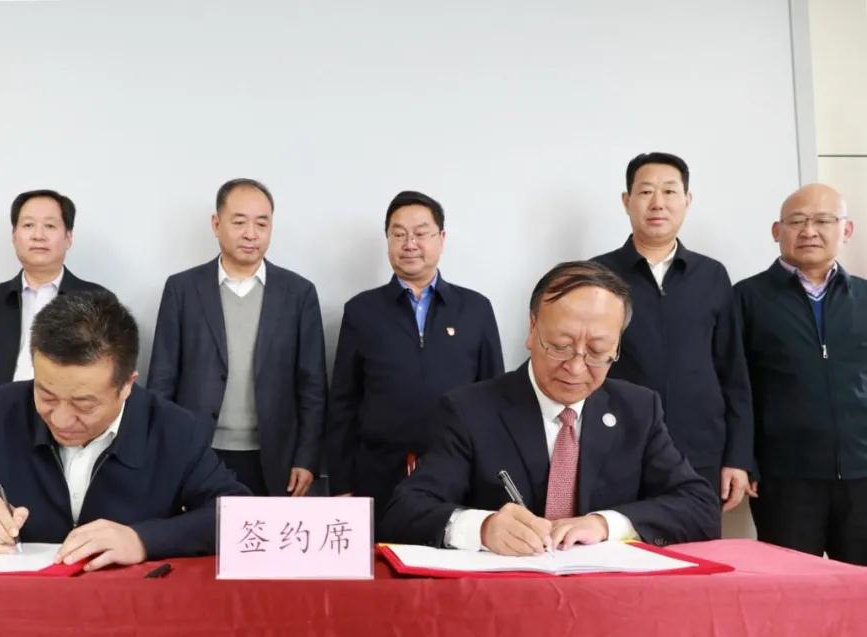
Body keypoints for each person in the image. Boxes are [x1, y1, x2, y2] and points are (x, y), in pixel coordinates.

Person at [380, 261, 719, 552]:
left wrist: (606, 524)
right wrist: (482, 528)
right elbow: (403, 512)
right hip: (504, 596)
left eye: (598, 351)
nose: (576, 367)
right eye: (560, 345)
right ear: (532, 330)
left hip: (607, 597)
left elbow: (701, 507)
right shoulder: (469, 410)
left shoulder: (639, 410)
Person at [0, 292, 251, 569]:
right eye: (47, 396)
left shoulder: (174, 429)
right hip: (22, 603)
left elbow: (238, 516)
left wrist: (143, 540)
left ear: (126, 385)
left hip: (127, 607)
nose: (61, 420)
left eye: (84, 404)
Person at [323, 190, 503, 520]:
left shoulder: (475, 309)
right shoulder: (362, 311)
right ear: (388, 240)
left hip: (457, 473)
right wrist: (342, 485)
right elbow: (343, 404)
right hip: (377, 475)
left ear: (441, 238)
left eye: (421, 233)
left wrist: (491, 480)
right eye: (399, 234)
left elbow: (494, 398)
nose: (410, 244)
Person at [592, 152, 754, 513]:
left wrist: (738, 457)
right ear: (626, 201)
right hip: (618, 447)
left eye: (669, 191)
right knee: (623, 543)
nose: (658, 203)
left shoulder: (712, 275)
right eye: (645, 191)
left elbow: (733, 372)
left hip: (701, 452)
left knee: (698, 545)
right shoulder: (598, 275)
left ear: (687, 200)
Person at [146, 178, 326, 497]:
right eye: (239, 222)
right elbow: (163, 378)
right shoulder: (182, 289)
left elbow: (312, 385)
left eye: (261, 223)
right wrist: (164, 451)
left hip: (275, 455)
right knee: (201, 528)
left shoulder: (298, 293)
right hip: (199, 449)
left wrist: (307, 458)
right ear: (216, 225)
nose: (250, 234)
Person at [735, 183, 867, 564]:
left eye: (823, 220)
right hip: (784, 478)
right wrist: (745, 459)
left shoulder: (863, 297)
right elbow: (736, 387)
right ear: (777, 231)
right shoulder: (746, 298)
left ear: (846, 230)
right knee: (791, 587)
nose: (809, 231)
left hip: (861, 475)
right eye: (797, 221)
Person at [0, 189, 106, 463]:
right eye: (28, 225)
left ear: (68, 237)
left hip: (71, 434)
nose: (38, 235)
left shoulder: (96, 301)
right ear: (14, 235)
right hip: (1, 432)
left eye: (50, 226)